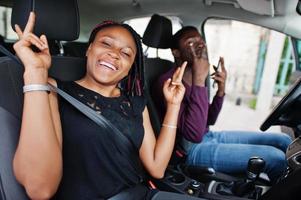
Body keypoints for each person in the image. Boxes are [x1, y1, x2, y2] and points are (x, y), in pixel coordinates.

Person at [12, 12, 202, 200]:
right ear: (89, 49)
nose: (114, 54)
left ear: (130, 68)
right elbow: (40, 190)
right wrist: (36, 72)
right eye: (106, 43)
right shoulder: (54, 90)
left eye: (126, 53)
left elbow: (157, 167)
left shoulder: (135, 103)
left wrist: (173, 105)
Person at [153, 26, 292, 183]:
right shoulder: (168, 82)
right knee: (276, 158)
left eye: (201, 41)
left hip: (209, 136)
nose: (200, 45)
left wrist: (221, 89)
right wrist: (199, 81)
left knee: (284, 141)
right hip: (190, 150)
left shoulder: (195, 74)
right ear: (176, 52)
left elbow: (209, 120)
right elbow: (194, 134)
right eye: (191, 42)